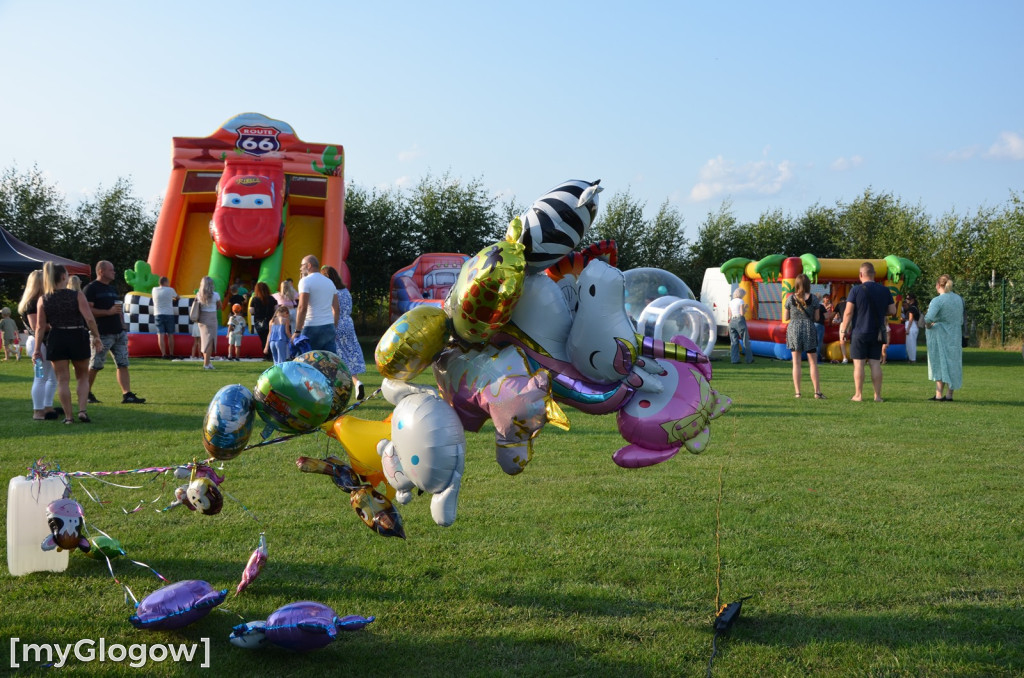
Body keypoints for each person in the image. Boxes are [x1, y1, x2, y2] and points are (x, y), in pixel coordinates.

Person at [33, 262, 104, 424]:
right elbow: (89, 319)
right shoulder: (77, 295)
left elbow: (39, 327)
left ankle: (68, 417)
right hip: (77, 335)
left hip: (56, 337)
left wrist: (37, 349)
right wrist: (97, 336)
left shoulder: (43, 299)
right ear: (64, 277)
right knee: (82, 377)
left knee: (62, 380)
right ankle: (82, 411)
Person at [84, 261, 145, 404]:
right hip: (101, 334)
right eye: (111, 270)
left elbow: (118, 308)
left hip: (118, 332)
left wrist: (123, 325)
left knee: (123, 363)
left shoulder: (112, 288)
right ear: (101, 271)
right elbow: (88, 311)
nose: (114, 272)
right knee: (95, 365)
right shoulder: (91, 289)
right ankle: (86, 393)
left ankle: (127, 394)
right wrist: (107, 312)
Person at [839, 263, 896, 402]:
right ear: (874, 274)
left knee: (859, 364)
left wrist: (843, 329)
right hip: (877, 332)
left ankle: (858, 395)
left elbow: (848, 313)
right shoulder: (884, 290)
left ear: (860, 275)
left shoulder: (855, 290)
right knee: (875, 364)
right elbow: (893, 311)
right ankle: (877, 396)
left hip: (859, 331)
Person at [321, 265, 367, 399]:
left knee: (335, 355)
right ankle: (356, 381)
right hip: (348, 323)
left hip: (336, 322)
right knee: (349, 352)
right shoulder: (345, 290)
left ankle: (336, 386)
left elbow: (333, 309)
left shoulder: (331, 291)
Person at [19, 270, 59, 419]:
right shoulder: (33, 302)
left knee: (51, 378)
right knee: (41, 377)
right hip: (39, 344)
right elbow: (37, 326)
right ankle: (38, 410)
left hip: (44, 343)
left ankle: (47, 407)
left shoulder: (38, 300)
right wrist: (57, 323)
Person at [782, 273, 823, 399]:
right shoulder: (814, 299)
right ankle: (817, 392)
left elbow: (785, 317)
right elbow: (816, 318)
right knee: (813, 363)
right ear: (808, 285)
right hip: (809, 328)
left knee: (796, 363)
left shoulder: (790, 298)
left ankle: (798, 392)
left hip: (794, 328)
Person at [925, 274, 964, 401]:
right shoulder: (959, 299)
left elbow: (929, 318)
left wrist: (929, 326)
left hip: (939, 335)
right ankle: (949, 394)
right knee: (952, 362)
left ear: (938, 285)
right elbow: (961, 319)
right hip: (955, 335)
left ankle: (938, 394)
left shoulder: (937, 300)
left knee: (939, 362)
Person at [292, 255, 339, 353]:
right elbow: (336, 309)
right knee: (329, 363)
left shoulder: (305, 281)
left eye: (302, 265)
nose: (300, 268)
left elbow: (302, 307)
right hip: (329, 326)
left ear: (308, 265)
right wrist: (333, 326)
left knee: (307, 362)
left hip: (311, 326)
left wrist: (297, 330)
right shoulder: (330, 282)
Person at [195, 276, 221, 370]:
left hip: (202, 318)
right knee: (210, 341)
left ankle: (208, 362)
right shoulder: (216, 295)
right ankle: (206, 363)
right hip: (212, 317)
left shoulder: (199, 294)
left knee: (205, 340)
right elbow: (219, 306)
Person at [248, 281, 277, 361]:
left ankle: (266, 355)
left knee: (263, 339)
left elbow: (251, 311)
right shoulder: (272, 299)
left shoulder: (255, 299)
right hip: (271, 321)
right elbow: (276, 309)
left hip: (259, 322)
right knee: (271, 338)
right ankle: (271, 355)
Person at [151, 276, 179, 359]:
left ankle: (163, 354)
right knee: (170, 335)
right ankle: (171, 354)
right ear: (166, 282)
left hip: (158, 314)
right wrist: (173, 298)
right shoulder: (170, 290)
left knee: (161, 335)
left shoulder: (154, 290)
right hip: (169, 314)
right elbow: (177, 297)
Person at [727, 288, 753, 364]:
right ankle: (749, 359)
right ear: (741, 294)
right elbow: (742, 313)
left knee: (734, 341)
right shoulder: (741, 301)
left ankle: (734, 359)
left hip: (732, 321)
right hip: (739, 320)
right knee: (745, 339)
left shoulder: (731, 302)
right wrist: (746, 308)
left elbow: (730, 314)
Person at [903, 293, 922, 363]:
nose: (907, 300)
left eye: (908, 299)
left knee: (911, 344)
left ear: (912, 300)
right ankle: (911, 358)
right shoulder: (915, 307)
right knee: (911, 343)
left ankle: (912, 359)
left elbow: (911, 319)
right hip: (913, 325)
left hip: (911, 326)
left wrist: (907, 329)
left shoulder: (912, 308)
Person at [832, 296, 850, 363]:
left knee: (842, 340)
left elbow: (832, 314)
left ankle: (845, 358)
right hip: (853, 323)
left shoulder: (839, 305)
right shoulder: (850, 304)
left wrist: (830, 321)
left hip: (844, 322)